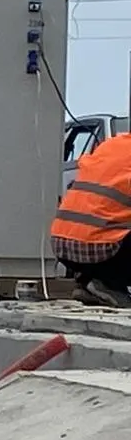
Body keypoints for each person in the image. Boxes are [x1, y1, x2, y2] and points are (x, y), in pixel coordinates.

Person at [51, 130, 131, 307]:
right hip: (103, 250)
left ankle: (91, 282)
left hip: (63, 246)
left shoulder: (112, 144)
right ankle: (107, 282)